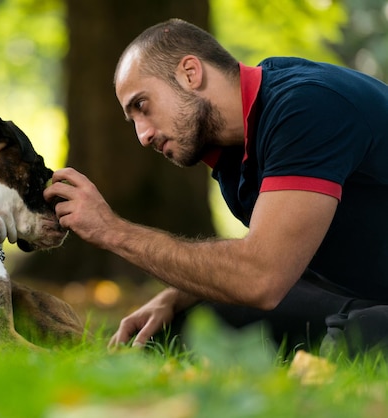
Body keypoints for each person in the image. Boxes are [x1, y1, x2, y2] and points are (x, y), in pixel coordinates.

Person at [44, 18, 388, 355]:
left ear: (190, 73)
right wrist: (179, 295)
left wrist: (111, 230)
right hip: (365, 290)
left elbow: (262, 277)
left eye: (142, 106)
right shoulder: (233, 153)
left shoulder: (306, 106)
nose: (143, 135)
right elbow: (285, 246)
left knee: (359, 336)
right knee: (182, 325)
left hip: (368, 302)